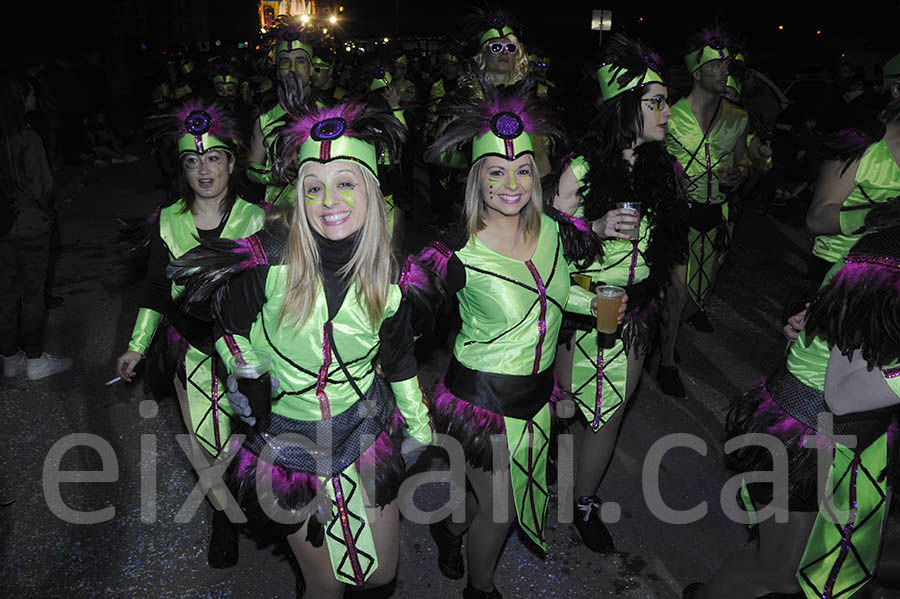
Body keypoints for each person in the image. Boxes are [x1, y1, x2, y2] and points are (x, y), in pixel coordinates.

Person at [169, 101, 433, 598]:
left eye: (346, 183)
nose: (329, 200)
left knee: (380, 575)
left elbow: (399, 360)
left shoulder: (392, 278)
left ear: (373, 193)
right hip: (288, 443)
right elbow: (227, 325)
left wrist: (418, 426)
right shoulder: (266, 263)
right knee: (325, 586)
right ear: (300, 195)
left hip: (363, 431)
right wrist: (241, 367)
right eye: (315, 186)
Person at [405, 79, 615, 598]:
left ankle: (448, 529)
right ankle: (481, 589)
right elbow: (396, 317)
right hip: (482, 403)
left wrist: (595, 306)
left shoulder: (554, 231)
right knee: (498, 511)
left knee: (479, 503)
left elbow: (553, 298)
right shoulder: (457, 252)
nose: (511, 183)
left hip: (538, 400)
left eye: (522, 170)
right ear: (477, 177)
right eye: (496, 172)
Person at [684, 208, 900, 599]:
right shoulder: (887, 256)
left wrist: (816, 313)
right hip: (805, 437)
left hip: (845, 438)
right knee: (780, 571)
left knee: (830, 558)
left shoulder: (885, 246)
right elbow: (843, 393)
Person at [550, 33, 688, 554]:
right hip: (576, 310)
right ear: (625, 107)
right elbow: (546, 254)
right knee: (565, 409)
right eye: (655, 102)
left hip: (631, 312)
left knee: (609, 412)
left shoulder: (667, 172)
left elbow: (669, 247)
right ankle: (548, 474)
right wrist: (593, 226)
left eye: (666, 101)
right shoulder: (580, 170)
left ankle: (583, 500)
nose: (667, 111)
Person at [114, 100, 266, 568]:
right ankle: (225, 519)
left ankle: (270, 509)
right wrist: (136, 346)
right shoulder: (168, 221)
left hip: (253, 348)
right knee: (207, 441)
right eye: (192, 161)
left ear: (232, 162)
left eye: (214, 158)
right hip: (193, 347)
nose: (204, 169)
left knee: (258, 438)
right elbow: (157, 289)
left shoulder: (259, 220)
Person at [661, 27, 749, 396]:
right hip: (679, 215)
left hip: (715, 216)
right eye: (716, 64)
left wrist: (739, 174)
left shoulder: (738, 118)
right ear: (697, 73)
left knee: (698, 292)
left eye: (727, 63)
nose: (724, 69)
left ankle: (667, 329)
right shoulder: (670, 117)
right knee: (677, 291)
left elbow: (744, 164)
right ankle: (665, 361)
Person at [0, 75, 72, 380]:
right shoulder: (27, 138)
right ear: (19, 99)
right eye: (30, 93)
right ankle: (34, 360)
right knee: (32, 294)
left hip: (3, 226)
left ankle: (9, 356)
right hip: (29, 224)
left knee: (5, 293)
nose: (35, 98)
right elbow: (43, 186)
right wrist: (48, 212)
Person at [805, 53, 900, 284]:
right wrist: (882, 215)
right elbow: (816, 219)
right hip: (839, 278)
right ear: (897, 90)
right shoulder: (860, 142)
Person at [247, 17, 316, 207]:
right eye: (285, 62)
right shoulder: (265, 120)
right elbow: (251, 167)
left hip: (322, 215)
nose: (293, 69)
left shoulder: (332, 116)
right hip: (279, 216)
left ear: (311, 68)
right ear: (278, 71)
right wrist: (273, 175)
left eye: (300, 61)